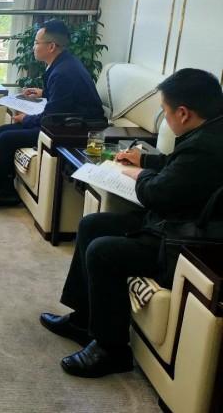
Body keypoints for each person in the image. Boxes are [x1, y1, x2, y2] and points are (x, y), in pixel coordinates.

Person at [39, 68, 223, 378]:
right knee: (92, 225)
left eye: (165, 112)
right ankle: (84, 319)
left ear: (183, 113)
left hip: (184, 242)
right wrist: (146, 160)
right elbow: (178, 166)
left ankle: (111, 350)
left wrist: (140, 174)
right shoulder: (209, 131)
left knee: (103, 251)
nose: (166, 119)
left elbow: (157, 194)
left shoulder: (206, 147)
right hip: (177, 221)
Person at [0, 19, 104, 206]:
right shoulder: (63, 63)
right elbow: (64, 99)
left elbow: (52, 117)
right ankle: (3, 187)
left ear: (51, 46)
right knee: (1, 131)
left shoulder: (63, 72)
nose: (33, 47)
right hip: (65, 120)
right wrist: (43, 93)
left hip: (73, 128)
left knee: (6, 137)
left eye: (36, 42)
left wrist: (26, 119)